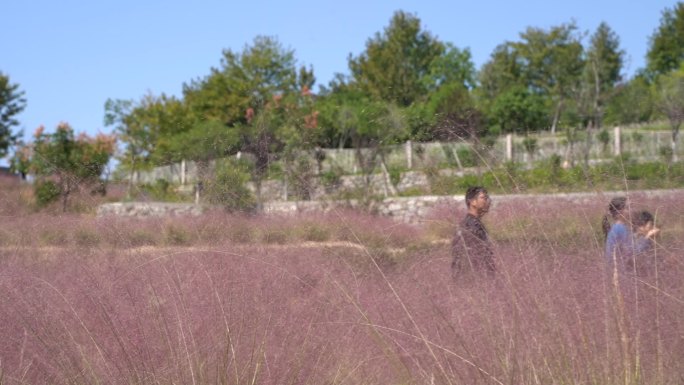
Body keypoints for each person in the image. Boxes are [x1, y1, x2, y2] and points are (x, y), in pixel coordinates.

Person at [451, 186, 495, 277]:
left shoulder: (468, 223)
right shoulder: (472, 225)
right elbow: (476, 257)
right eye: (483, 198)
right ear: (472, 202)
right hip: (475, 279)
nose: (487, 201)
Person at [628, 210, 660, 275]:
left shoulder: (644, 238)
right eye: (650, 224)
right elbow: (636, 253)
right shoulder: (632, 238)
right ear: (641, 225)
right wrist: (647, 237)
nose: (652, 227)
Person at [603, 196, 631, 269]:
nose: (632, 210)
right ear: (620, 211)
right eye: (628, 208)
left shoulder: (617, 227)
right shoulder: (620, 228)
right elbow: (631, 251)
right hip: (620, 271)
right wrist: (647, 238)